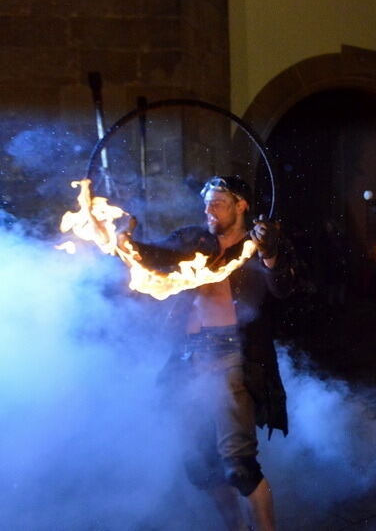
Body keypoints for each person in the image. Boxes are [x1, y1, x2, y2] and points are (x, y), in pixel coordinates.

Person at [120, 176, 293, 531]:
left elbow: (284, 289)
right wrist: (125, 240)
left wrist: (271, 253)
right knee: (200, 466)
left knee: (240, 464)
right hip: (188, 358)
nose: (208, 211)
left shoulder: (258, 242)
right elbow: (155, 254)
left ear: (241, 205)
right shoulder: (193, 239)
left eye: (217, 204)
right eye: (206, 205)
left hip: (232, 354)